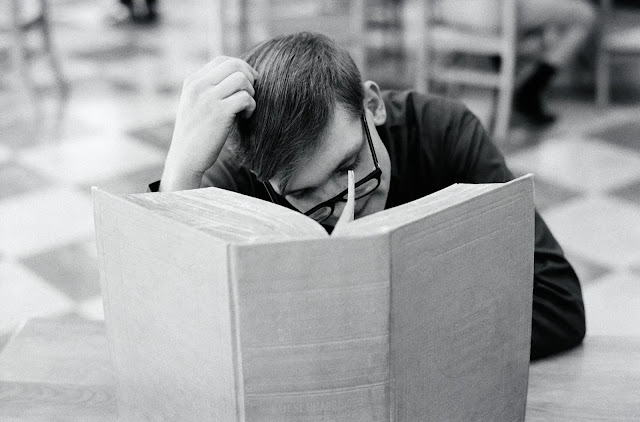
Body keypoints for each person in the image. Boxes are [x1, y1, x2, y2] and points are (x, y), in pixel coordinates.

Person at [154, 32, 585, 360]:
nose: (346, 206)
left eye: (349, 166)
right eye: (302, 193)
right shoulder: (246, 173)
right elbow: (173, 338)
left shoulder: (443, 131)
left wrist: (364, 335)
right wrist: (181, 172)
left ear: (372, 106)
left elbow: (558, 304)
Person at [434, 0, 598, 125]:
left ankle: (506, 68)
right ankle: (531, 88)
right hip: (494, 14)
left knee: (535, 30)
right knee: (584, 14)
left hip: (449, 14)